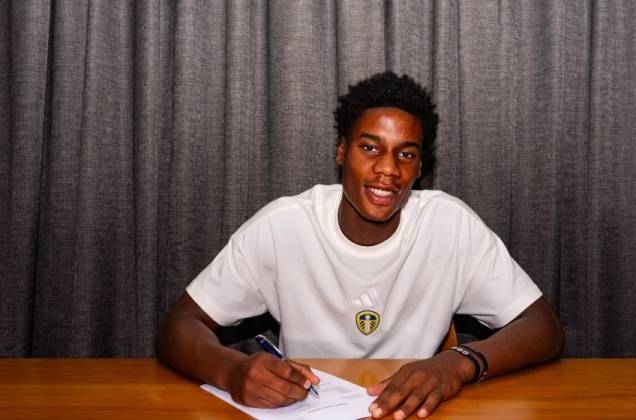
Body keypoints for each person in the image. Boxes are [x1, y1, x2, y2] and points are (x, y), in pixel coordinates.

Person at [156, 71, 564, 419]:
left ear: (420, 168)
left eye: (406, 154)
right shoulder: (283, 226)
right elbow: (178, 326)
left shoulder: (450, 224)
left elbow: (544, 328)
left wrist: (458, 364)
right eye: (370, 148)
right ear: (341, 151)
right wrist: (231, 371)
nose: (388, 169)